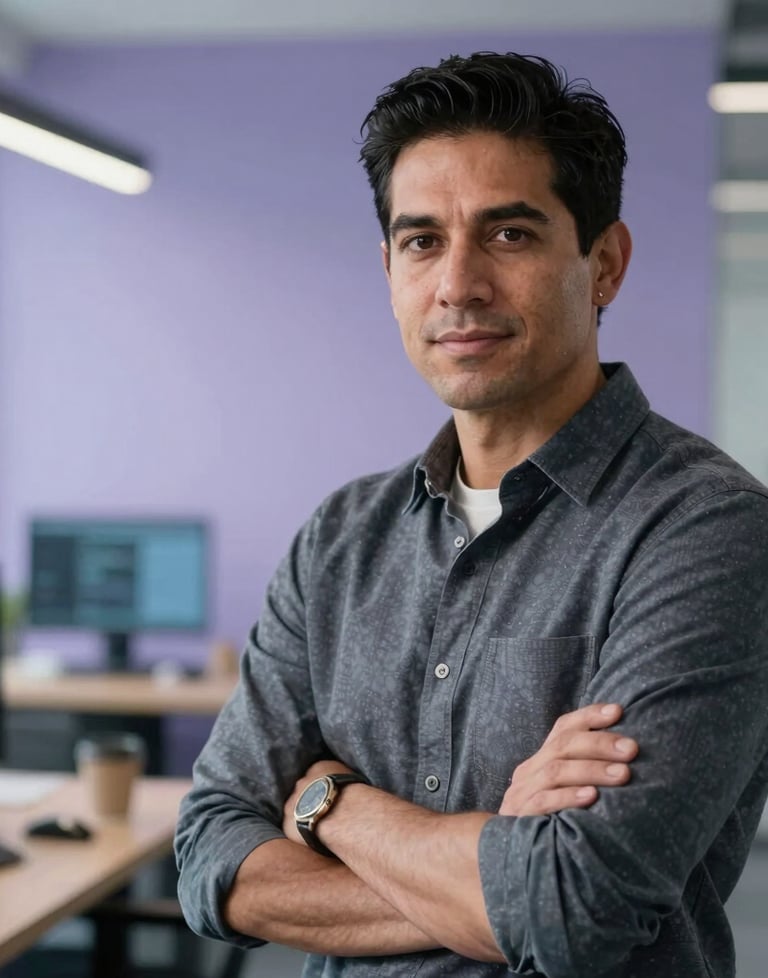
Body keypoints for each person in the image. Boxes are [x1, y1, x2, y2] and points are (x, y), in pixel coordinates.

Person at [175, 52, 768, 978]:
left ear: (604, 263)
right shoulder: (339, 540)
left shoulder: (707, 530)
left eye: (509, 234)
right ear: (389, 270)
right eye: (421, 242)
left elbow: (577, 908)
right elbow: (211, 858)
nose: (458, 284)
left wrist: (332, 806)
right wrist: (495, 868)